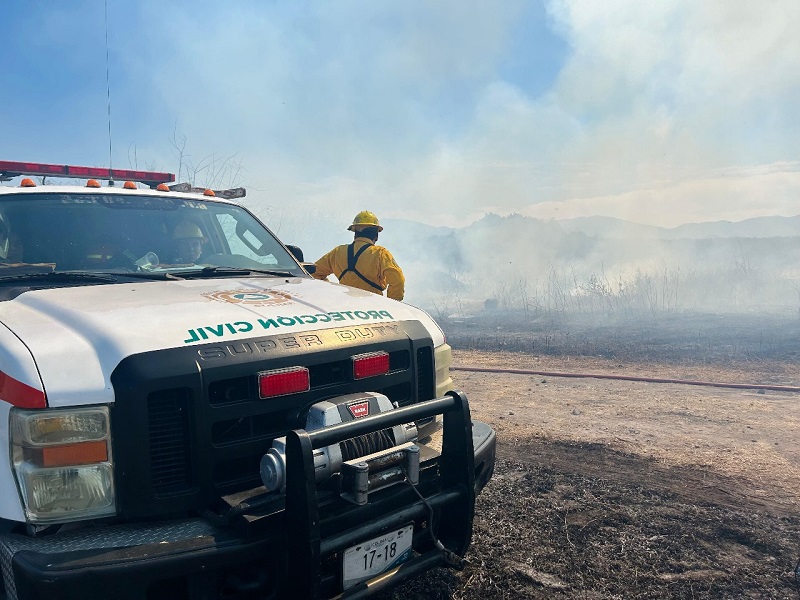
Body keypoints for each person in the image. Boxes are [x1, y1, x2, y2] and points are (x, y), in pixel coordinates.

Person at [313, 210, 405, 301]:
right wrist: (392, 303)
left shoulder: (338, 252)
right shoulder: (380, 253)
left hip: (345, 307)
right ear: (376, 235)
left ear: (355, 233)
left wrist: (333, 289)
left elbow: (313, 272)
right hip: (373, 307)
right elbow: (398, 281)